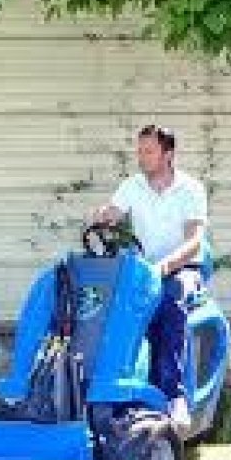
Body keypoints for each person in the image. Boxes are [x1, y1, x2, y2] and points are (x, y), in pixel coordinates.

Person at [92, 124, 207, 431]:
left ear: (167, 154)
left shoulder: (191, 189)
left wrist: (165, 267)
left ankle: (174, 396)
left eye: (148, 151)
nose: (141, 157)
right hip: (143, 271)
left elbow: (194, 242)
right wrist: (104, 215)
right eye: (139, 151)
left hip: (183, 269)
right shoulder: (132, 186)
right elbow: (114, 211)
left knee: (171, 298)